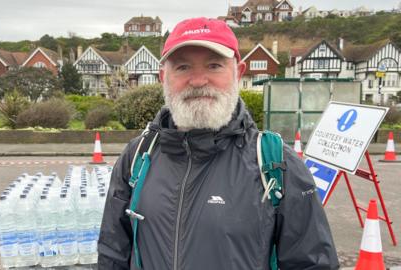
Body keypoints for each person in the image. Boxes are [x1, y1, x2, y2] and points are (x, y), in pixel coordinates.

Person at [98, 17, 339, 270]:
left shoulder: (277, 164)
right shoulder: (137, 156)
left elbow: (312, 264)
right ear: (163, 77)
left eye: (214, 65)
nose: (199, 80)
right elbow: (112, 253)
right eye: (182, 67)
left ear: (238, 72)